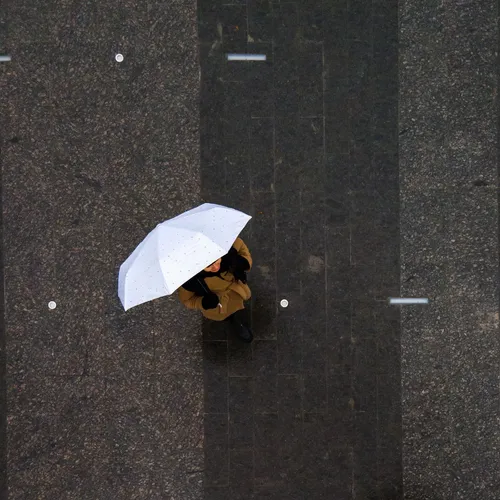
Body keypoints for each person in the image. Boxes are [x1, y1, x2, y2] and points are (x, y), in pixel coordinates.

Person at [177, 237, 253, 342]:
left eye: (217, 260)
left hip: (238, 290)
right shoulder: (190, 281)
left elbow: (242, 249)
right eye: (209, 266)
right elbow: (187, 300)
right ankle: (235, 323)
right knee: (228, 316)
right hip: (218, 306)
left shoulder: (228, 247)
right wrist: (203, 302)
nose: (215, 267)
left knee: (238, 304)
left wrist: (242, 262)